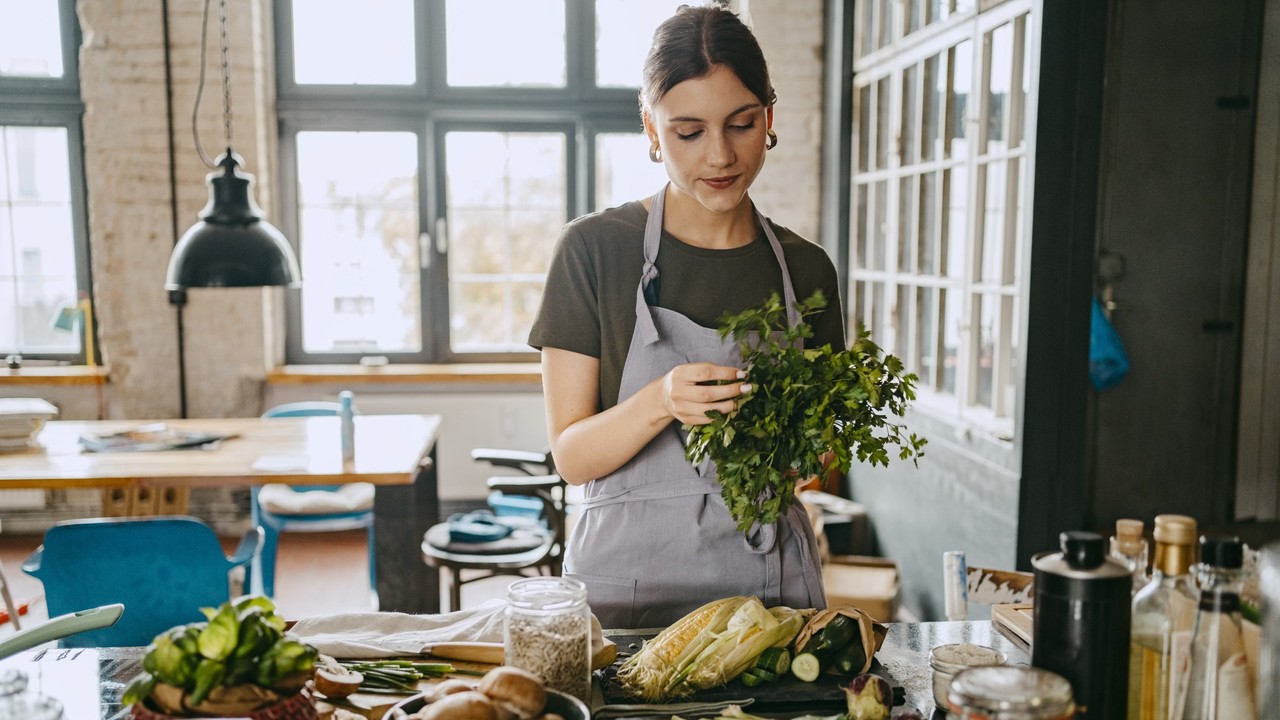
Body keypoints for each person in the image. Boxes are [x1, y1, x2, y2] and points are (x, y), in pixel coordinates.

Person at [527, 5, 844, 629]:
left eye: (742, 123)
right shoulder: (594, 251)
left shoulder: (806, 271)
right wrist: (661, 401)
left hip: (767, 593)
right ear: (651, 129)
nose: (721, 156)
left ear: (769, 117)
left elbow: (820, 462)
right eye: (688, 131)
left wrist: (809, 454)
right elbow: (570, 456)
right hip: (625, 596)